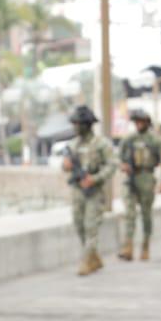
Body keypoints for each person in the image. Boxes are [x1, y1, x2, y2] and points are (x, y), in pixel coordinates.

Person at [61, 104, 115, 276]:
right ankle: (94, 257)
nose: (75, 127)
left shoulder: (101, 144)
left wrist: (94, 178)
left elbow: (112, 166)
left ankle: (86, 262)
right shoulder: (72, 145)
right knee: (79, 225)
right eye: (74, 123)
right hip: (77, 192)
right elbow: (66, 166)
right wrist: (66, 166)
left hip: (94, 192)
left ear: (87, 124)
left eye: (78, 123)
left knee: (91, 226)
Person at [116, 108, 161, 261]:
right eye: (136, 122)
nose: (138, 125)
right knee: (129, 213)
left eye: (141, 121)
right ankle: (128, 246)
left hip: (146, 177)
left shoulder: (155, 140)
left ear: (147, 122)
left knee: (146, 214)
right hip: (131, 177)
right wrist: (122, 165)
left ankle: (145, 245)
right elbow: (118, 156)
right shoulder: (129, 139)